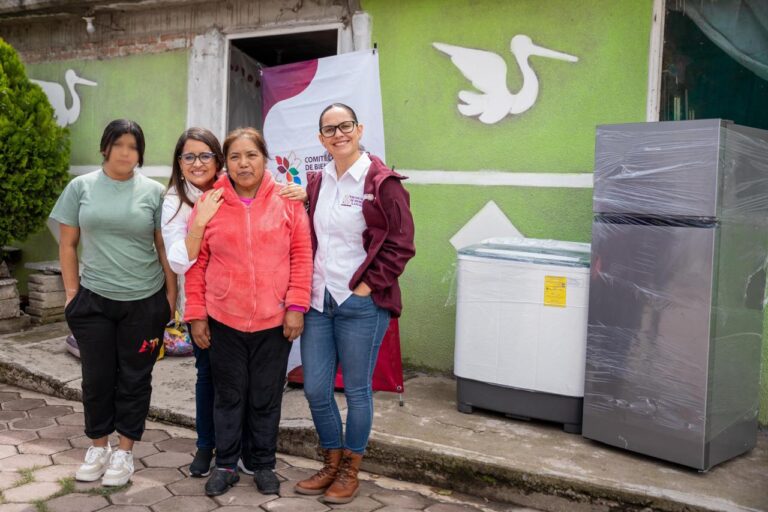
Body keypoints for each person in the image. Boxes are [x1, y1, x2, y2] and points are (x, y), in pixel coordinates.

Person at [161, 127, 307, 478]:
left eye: (252, 155)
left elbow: (302, 255)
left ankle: (262, 464)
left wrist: (295, 307)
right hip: (223, 320)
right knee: (226, 395)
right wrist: (196, 315)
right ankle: (224, 464)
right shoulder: (210, 204)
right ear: (227, 163)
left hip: (273, 322)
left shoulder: (287, 201)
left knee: (266, 398)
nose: (244, 164)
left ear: (265, 158)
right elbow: (195, 266)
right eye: (236, 157)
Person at [295, 103, 415, 504]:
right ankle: (330, 460)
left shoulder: (383, 183)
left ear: (359, 129)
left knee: (359, 391)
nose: (338, 134)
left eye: (345, 126)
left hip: (360, 303)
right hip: (318, 300)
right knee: (315, 389)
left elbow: (401, 246)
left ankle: (351, 469)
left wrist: (366, 287)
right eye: (329, 129)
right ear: (320, 138)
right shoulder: (319, 180)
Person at [51, 119, 176, 487]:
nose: (126, 152)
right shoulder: (81, 188)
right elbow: (67, 244)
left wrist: (171, 297)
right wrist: (72, 294)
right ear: (105, 147)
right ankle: (98, 447)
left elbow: (162, 247)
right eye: (119, 144)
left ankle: (124, 453)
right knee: (97, 379)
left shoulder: (154, 192)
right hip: (94, 302)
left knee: (135, 380)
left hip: (144, 301)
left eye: (133, 146)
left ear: (140, 153)